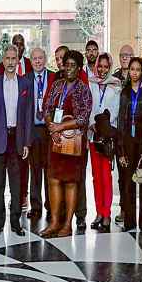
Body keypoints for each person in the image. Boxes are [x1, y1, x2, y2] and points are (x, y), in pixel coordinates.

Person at [41, 50, 92, 238]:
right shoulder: (56, 85)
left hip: (73, 141)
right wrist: (51, 127)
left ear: (79, 69)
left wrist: (60, 126)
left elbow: (83, 117)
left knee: (71, 182)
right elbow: (46, 108)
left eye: (73, 66)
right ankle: (54, 222)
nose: (68, 69)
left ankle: (67, 225)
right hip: (55, 141)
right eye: (66, 65)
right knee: (53, 179)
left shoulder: (83, 89)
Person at [0, 45, 32, 236]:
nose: (11, 62)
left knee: (17, 185)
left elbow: (28, 115)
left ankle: (15, 223)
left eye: (14, 59)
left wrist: (27, 142)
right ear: (3, 61)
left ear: (17, 61)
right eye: (8, 59)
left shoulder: (25, 84)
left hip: (18, 140)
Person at [117, 57, 142, 232]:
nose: (134, 72)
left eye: (137, 69)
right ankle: (130, 221)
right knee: (127, 182)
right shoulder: (124, 92)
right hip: (127, 141)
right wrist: (121, 150)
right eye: (132, 69)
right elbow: (120, 122)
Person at [89, 53, 120, 232]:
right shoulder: (91, 83)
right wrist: (92, 123)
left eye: (105, 67)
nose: (102, 70)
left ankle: (107, 213)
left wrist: (102, 124)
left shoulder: (115, 86)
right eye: (99, 66)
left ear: (110, 67)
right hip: (93, 136)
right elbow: (89, 106)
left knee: (106, 177)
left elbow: (114, 111)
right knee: (95, 177)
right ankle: (98, 212)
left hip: (107, 137)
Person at [26, 47, 56, 221]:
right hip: (33, 129)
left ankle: (51, 205)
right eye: (34, 58)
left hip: (49, 129)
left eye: (40, 58)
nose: (37, 61)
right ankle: (35, 206)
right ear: (31, 61)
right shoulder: (26, 79)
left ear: (45, 60)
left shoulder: (53, 77)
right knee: (35, 169)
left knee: (50, 169)